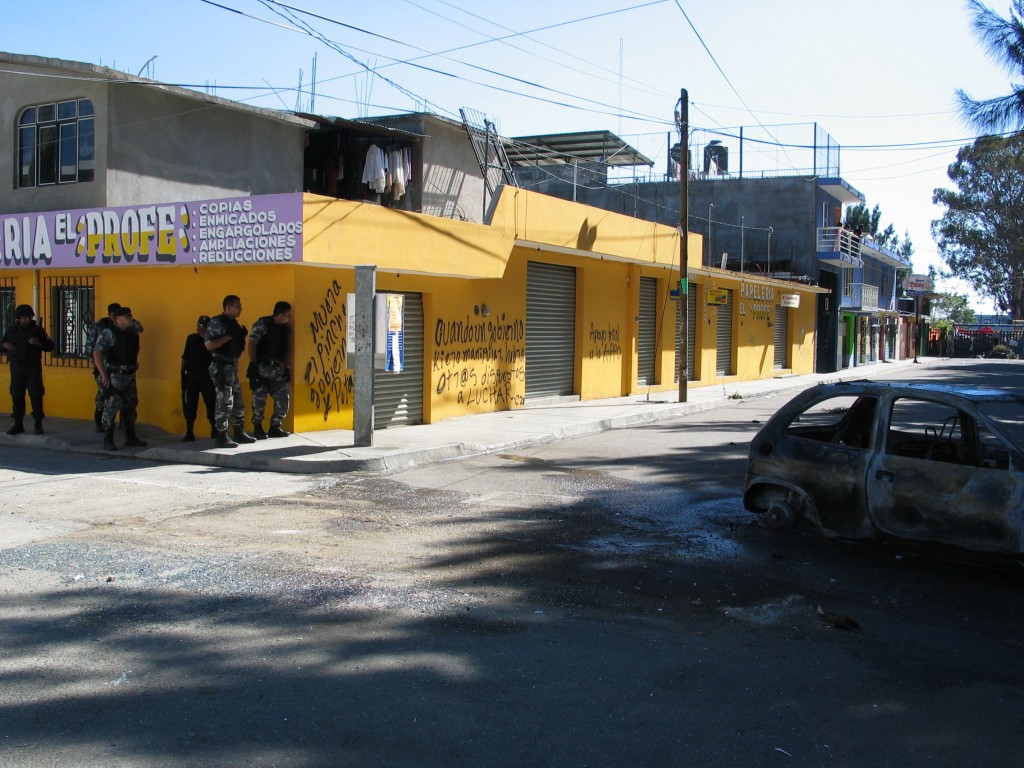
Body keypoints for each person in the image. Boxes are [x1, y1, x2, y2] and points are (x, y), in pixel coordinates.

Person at [92, 306, 147, 450]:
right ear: (118, 319)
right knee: (111, 405)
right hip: (114, 375)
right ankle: (108, 438)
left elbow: (139, 334)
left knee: (130, 404)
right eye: (127, 316)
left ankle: (130, 436)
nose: (130, 318)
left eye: (130, 315)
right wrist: (103, 374)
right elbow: (97, 353)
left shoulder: (132, 331)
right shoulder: (108, 333)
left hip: (129, 374)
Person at [205, 295, 255, 448]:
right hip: (220, 366)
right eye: (237, 306)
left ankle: (238, 431)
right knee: (224, 401)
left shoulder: (234, 324)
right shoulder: (217, 323)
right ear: (228, 307)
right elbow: (209, 345)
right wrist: (228, 337)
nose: (240, 309)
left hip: (231, 366)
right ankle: (221, 435)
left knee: (238, 399)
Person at [1, 304, 55, 435]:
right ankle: (18, 424)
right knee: (17, 395)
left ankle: (38, 423)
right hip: (17, 367)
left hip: (33, 367)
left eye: (29, 317)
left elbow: (50, 345)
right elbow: (2, 344)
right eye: (24, 317)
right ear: (18, 319)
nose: (27, 320)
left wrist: (38, 343)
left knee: (36, 394)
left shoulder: (37, 331)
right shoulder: (11, 331)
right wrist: (6, 345)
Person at [247, 301, 293, 439]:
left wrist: (287, 367)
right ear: (279, 315)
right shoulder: (262, 325)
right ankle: (258, 427)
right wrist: (253, 363)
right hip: (261, 368)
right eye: (287, 315)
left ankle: (275, 426)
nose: (289, 318)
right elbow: (252, 343)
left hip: (276, 370)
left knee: (283, 396)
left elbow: (286, 349)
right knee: (259, 400)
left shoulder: (284, 329)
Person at [180, 315, 216, 442]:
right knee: (190, 405)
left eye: (204, 328)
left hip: (207, 377)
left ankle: (214, 429)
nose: (201, 330)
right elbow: (185, 358)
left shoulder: (212, 341)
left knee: (211, 403)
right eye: (200, 328)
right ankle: (189, 431)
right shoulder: (191, 339)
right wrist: (182, 374)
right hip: (192, 377)